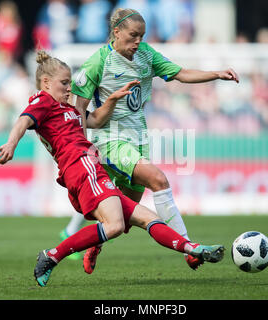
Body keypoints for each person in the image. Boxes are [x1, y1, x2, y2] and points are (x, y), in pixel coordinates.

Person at [0, 50, 225, 287]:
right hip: (80, 166)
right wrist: (11, 143)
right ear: (45, 82)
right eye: (64, 83)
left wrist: (112, 100)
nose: (68, 89)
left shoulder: (69, 110)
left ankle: (193, 248)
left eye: (70, 83)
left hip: (89, 169)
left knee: (147, 218)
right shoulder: (43, 101)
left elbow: (94, 121)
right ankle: (52, 255)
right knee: (114, 225)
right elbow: (24, 120)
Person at [61, 8, 239, 273]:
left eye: (141, 36)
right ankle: (190, 250)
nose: (137, 42)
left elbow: (181, 73)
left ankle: (95, 243)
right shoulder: (98, 62)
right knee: (159, 180)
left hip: (138, 141)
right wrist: (80, 147)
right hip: (109, 142)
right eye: (133, 36)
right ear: (117, 31)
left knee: (124, 218)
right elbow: (79, 109)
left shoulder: (147, 55)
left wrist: (216, 74)